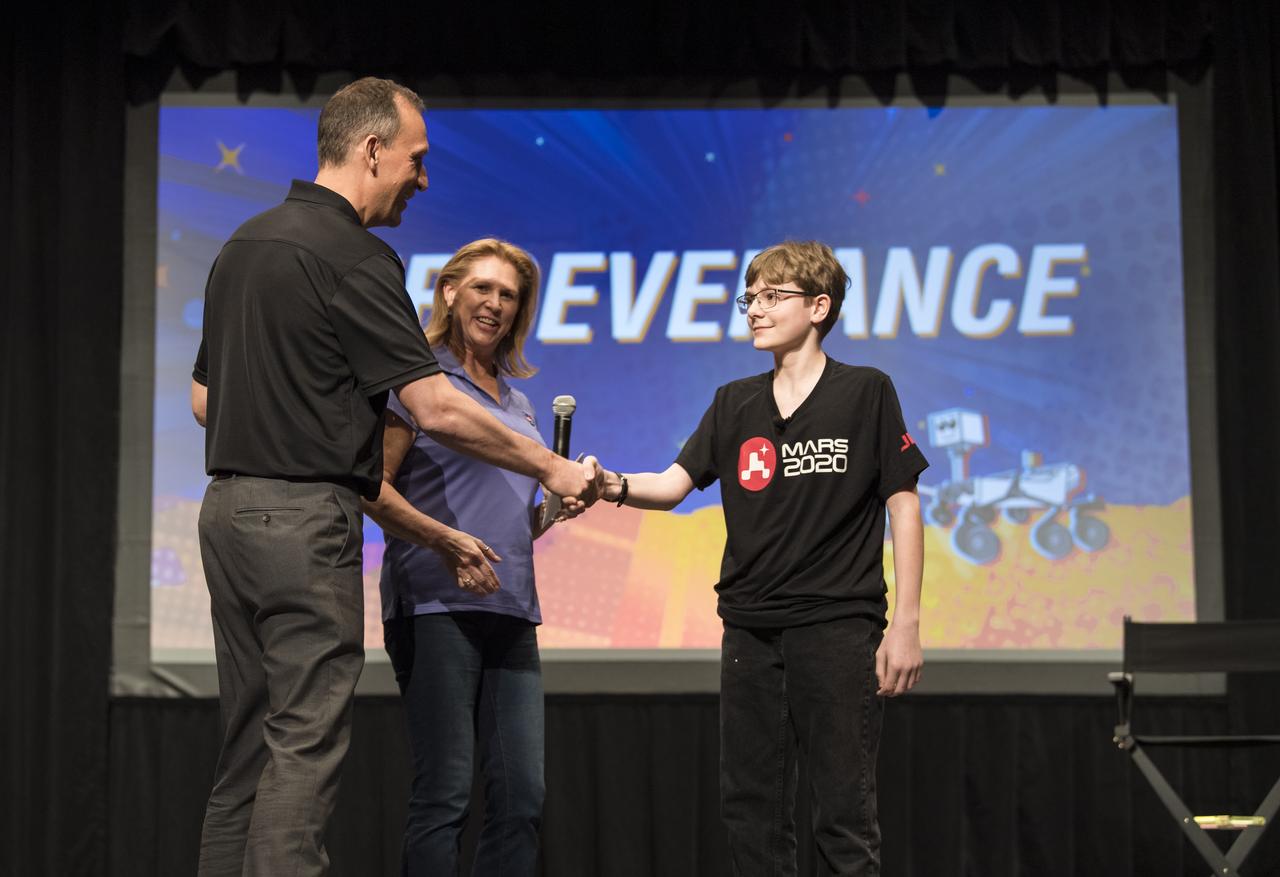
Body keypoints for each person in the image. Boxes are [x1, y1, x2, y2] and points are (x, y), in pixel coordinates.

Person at [189, 79, 594, 877]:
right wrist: (549, 462)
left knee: (246, 744)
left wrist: (294, 404)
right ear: (373, 150)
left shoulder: (244, 243)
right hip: (303, 518)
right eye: (417, 160)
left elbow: (206, 400)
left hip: (226, 511)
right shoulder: (356, 254)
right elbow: (435, 406)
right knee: (303, 743)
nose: (424, 179)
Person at [592, 241, 927, 876]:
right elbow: (671, 485)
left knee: (843, 813)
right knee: (751, 812)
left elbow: (903, 506)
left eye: (774, 297)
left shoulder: (866, 392)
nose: (755, 310)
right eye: (751, 297)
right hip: (749, 629)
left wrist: (905, 626)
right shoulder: (734, 402)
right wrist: (606, 484)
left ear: (819, 307)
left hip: (837, 627)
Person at [364, 238, 561, 875]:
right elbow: (375, 487)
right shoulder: (419, 383)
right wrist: (443, 541)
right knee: (445, 794)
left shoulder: (519, 403)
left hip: (511, 610)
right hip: (432, 604)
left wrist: (549, 513)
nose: (495, 304)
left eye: (509, 295)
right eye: (482, 288)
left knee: (521, 799)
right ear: (450, 292)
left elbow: (504, 520)